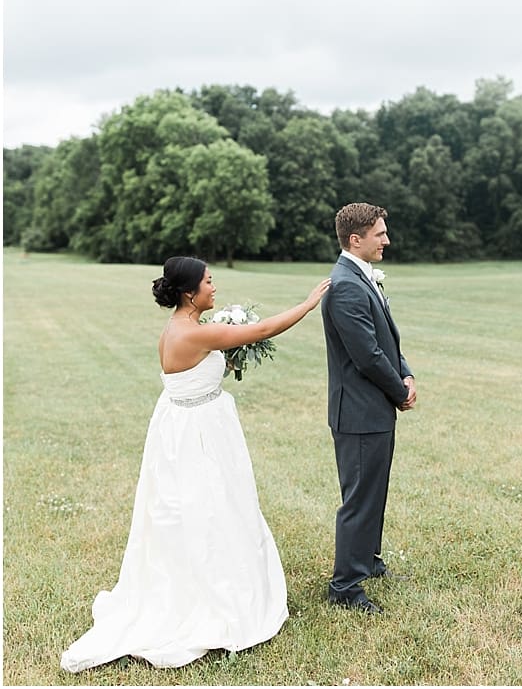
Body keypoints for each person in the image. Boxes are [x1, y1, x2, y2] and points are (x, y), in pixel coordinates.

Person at [61, 257, 329, 672]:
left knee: (185, 512)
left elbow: (202, 369)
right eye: (208, 281)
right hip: (201, 434)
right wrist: (309, 303)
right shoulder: (198, 333)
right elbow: (262, 329)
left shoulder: (174, 329)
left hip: (178, 428)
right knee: (214, 509)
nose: (214, 287)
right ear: (190, 293)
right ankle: (216, 598)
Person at [322, 202, 416, 614]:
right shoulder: (344, 285)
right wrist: (400, 391)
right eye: (380, 234)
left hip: (373, 410)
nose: (387, 240)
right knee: (359, 498)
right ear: (355, 239)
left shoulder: (362, 278)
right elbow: (367, 355)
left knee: (374, 491)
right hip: (359, 412)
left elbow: (387, 340)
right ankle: (345, 586)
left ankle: (369, 561)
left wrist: (407, 373)